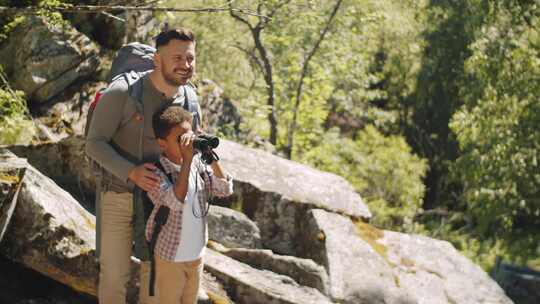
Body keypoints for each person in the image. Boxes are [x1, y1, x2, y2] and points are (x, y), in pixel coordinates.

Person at [85, 28, 202, 304]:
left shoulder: (190, 99)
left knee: (156, 283)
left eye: (190, 58)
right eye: (177, 58)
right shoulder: (122, 92)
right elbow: (94, 143)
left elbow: (191, 149)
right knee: (114, 278)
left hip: (163, 204)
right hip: (118, 195)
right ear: (157, 60)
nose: (185, 65)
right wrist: (132, 171)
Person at [147, 105, 233, 304]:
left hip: (197, 255)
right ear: (162, 144)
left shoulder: (198, 165)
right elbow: (175, 202)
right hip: (170, 258)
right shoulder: (156, 172)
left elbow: (225, 189)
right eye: (180, 139)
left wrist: (208, 154)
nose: (187, 143)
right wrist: (186, 161)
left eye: (190, 136)